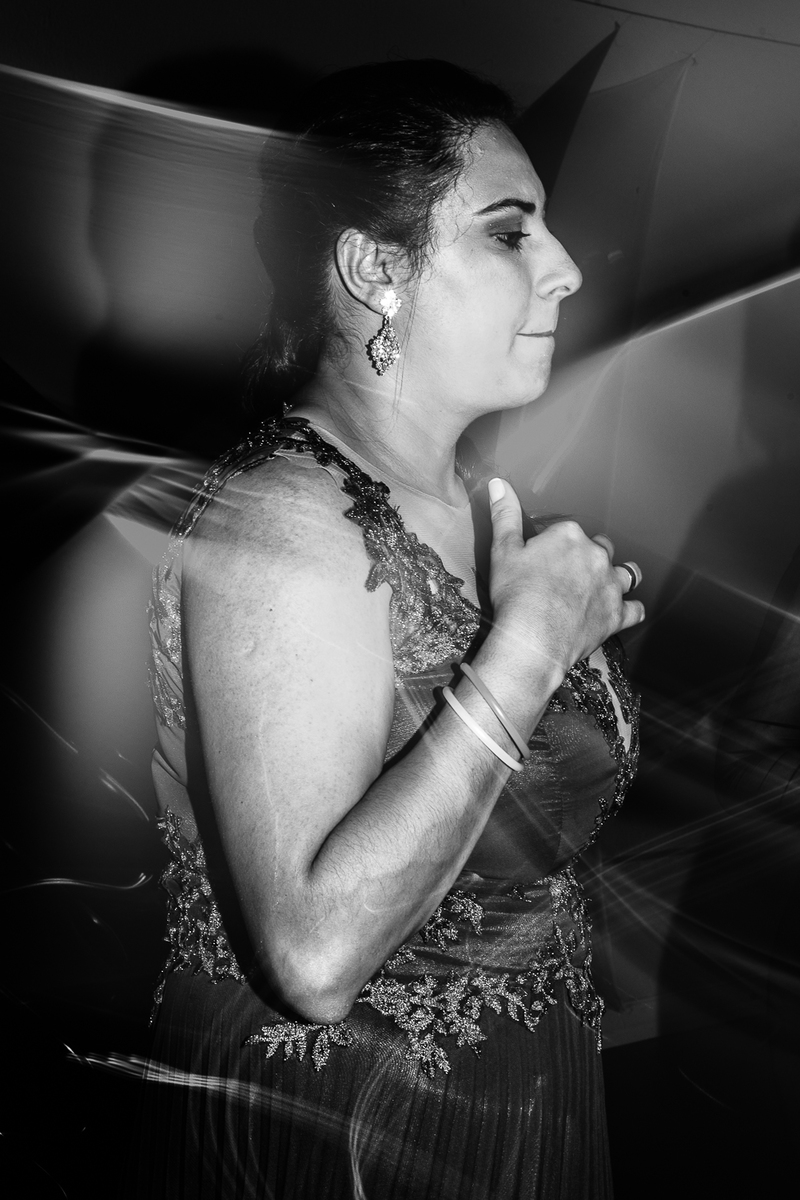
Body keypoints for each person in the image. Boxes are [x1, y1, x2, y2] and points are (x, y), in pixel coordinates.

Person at [134, 59, 644, 1199]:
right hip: (350, 1129)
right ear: (375, 267)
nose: (565, 268)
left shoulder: (477, 503)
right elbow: (314, 955)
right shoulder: (284, 521)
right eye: (509, 233)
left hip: (524, 1096)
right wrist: (529, 647)